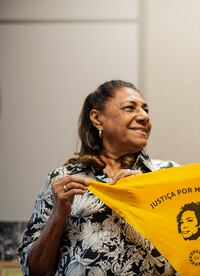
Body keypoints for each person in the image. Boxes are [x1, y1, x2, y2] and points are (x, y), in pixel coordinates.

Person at [18, 80, 178, 275]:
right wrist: (59, 214)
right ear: (97, 118)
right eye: (130, 108)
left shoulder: (168, 176)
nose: (144, 116)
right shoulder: (62, 181)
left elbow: (198, 247)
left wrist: (151, 193)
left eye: (146, 109)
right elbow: (34, 270)